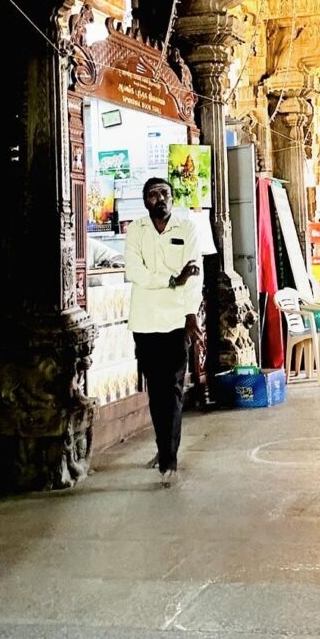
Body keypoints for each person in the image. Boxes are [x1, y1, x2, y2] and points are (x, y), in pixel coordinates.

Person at [124, 177, 204, 485]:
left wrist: (191, 314)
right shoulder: (136, 230)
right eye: (154, 194)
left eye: (166, 194)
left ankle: (168, 457)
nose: (161, 199)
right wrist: (173, 279)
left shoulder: (186, 229)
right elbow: (134, 271)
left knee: (172, 389)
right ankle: (164, 446)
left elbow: (193, 275)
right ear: (145, 201)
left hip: (176, 321)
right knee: (156, 391)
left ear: (172, 198)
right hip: (144, 322)